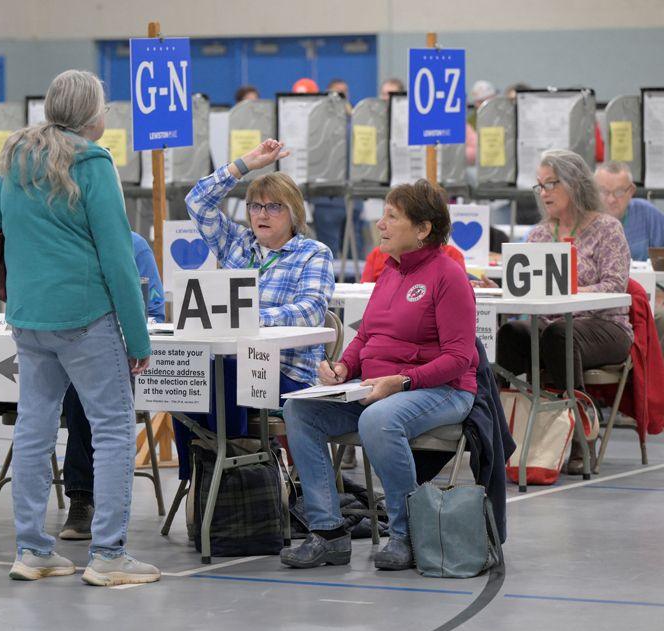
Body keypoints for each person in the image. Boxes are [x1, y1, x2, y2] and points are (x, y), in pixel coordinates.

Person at [0, 69, 158, 586]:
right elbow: (120, 259)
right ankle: (109, 555)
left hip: (28, 321)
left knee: (34, 430)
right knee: (114, 430)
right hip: (85, 320)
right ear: (92, 115)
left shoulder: (16, 158)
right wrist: (137, 338)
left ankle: (32, 550)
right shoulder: (94, 162)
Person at [0, 232, 165, 541]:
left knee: (83, 387)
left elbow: (154, 315)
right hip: (30, 350)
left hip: (92, 355)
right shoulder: (41, 239)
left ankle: (82, 498)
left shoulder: (130, 244)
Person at [281, 179, 477, 571]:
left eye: (392, 217)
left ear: (423, 230)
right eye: (382, 215)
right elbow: (367, 336)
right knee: (299, 412)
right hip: (377, 388)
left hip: (442, 389)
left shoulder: (448, 275)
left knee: (379, 419)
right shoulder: (390, 272)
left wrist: (400, 382)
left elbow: (459, 357)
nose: (381, 225)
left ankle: (406, 533)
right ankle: (328, 533)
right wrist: (343, 368)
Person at [176, 139, 334, 481]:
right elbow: (197, 201)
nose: (261, 214)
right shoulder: (237, 242)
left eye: (274, 207)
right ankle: (200, 479)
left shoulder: (312, 253)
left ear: (294, 213)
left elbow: (310, 311)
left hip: (288, 373)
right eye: (255, 206)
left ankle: (235, 473)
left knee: (226, 373)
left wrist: (246, 318)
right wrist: (245, 164)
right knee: (186, 374)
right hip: (231, 362)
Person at [493, 150, 632, 474]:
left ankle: (583, 437)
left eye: (550, 184)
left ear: (574, 183)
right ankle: (500, 432)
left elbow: (615, 286)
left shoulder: (607, 229)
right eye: (539, 186)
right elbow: (526, 287)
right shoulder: (540, 234)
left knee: (559, 334)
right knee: (511, 334)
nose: (543, 193)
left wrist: (572, 292)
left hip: (605, 325)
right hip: (553, 325)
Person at [312, 78, 363, 262]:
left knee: (347, 257)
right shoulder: (324, 126)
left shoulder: (353, 124)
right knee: (335, 256)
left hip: (347, 200)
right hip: (329, 200)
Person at [594, 162, 664, 262]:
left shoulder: (648, 214)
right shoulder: (584, 219)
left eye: (619, 192)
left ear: (631, 191)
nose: (611, 199)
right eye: (604, 191)